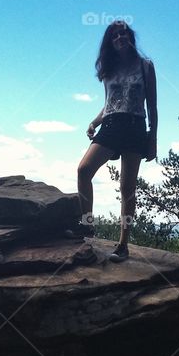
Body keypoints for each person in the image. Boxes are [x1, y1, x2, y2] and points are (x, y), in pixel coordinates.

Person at [65, 19, 157, 263]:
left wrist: (153, 138)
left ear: (131, 38)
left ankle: (123, 244)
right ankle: (87, 227)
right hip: (112, 125)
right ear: (110, 41)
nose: (120, 38)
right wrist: (94, 122)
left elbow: (153, 106)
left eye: (123, 34)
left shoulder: (145, 66)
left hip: (135, 126)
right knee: (84, 170)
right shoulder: (109, 70)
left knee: (127, 188)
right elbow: (108, 104)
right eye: (115, 35)